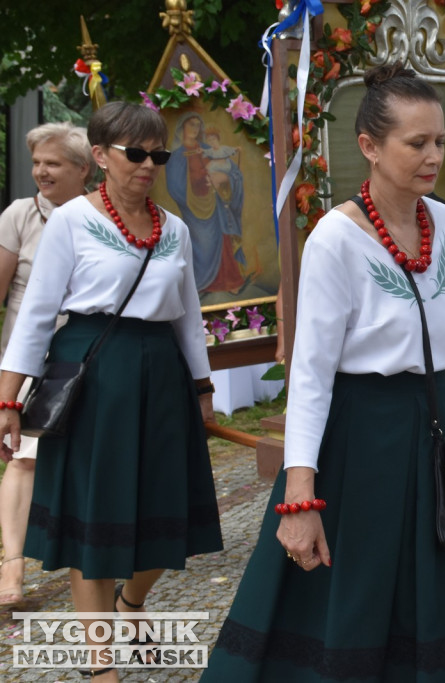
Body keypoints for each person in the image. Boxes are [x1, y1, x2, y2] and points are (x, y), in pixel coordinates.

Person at [202, 63, 445, 681]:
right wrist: (298, 497)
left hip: (435, 428)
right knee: (353, 594)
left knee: (434, 591)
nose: (432, 156)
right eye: (416, 143)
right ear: (369, 146)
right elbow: (310, 375)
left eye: (440, 141)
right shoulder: (335, 238)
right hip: (361, 439)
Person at [0, 102, 223, 681]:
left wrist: (202, 388)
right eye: (136, 153)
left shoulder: (173, 229)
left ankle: (132, 601)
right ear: (100, 156)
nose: (149, 165)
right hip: (92, 372)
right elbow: (36, 314)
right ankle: (99, 666)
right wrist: (7, 399)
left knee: (165, 511)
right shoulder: (72, 220)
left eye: (159, 154)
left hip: (162, 375)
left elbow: (187, 316)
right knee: (92, 521)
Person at [0, 123, 93, 609]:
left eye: (52, 163)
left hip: (89, 360)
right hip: (31, 362)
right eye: (37, 162)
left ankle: (90, 552)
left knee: (85, 458)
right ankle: (12, 565)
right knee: (24, 456)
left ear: (84, 168)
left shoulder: (103, 217)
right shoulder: (20, 215)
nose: (40, 171)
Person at [166, 111, 247, 294]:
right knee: (201, 244)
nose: (195, 129)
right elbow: (174, 187)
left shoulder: (208, 150)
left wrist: (224, 177)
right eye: (191, 124)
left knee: (224, 238)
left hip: (216, 202)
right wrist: (195, 188)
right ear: (182, 128)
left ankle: (230, 281)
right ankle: (202, 285)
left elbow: (234, 173)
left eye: (197, 125)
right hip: (193, 208)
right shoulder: (177, 157)